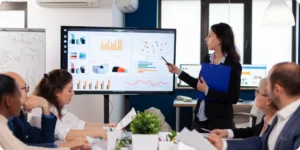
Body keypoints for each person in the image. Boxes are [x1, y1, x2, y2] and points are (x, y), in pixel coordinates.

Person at [167, 23, 242, 132]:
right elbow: (199, 84)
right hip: (199, 118)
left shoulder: (233, 64)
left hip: (219, 121)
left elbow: (233, 98)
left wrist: (207, 91)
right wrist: (178, 72)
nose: (206, 39)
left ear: (220, 39)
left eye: (210, 35)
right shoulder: (207, 59)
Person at [208, 62, 300, 150]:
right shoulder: (281, 116)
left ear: (277, 90)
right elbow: (262, 142)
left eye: (269, 87)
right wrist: (224, 145)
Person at [5, 72, 90, 149]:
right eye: (24, 88)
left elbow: (45, 141)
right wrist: (67, 145)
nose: (27, 92)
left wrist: (46, 108)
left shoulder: (17, 116)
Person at [29, 69, 113, 141]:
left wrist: (107, 126)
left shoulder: (58, 108)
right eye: (69, 90)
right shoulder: (39, 112)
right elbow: (66, 134)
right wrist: (101, 132)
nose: (73, 93)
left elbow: (79, 124)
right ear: (57, 92)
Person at [0, 74, 69, 150]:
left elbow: (44, 141)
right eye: (23, 90)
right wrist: (67, 147)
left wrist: (46, 107)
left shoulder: (18, 118)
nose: (28, 94)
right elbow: (21, 148)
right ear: (8, 100)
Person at [211, 78, 277, 139]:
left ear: (268, 101)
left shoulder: (276, 125)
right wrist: (227, 132)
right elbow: (251, 132)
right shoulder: (265, 117)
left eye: (258, 92)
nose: (255, 95)